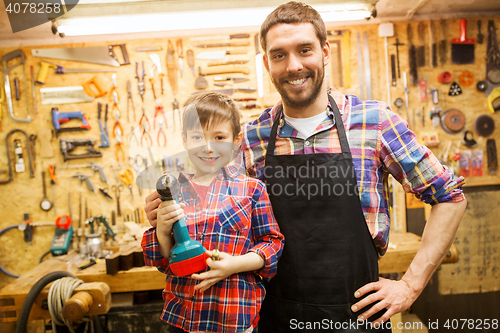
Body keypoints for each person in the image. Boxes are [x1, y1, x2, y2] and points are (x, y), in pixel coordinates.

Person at [146, 2, 467, 331]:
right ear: (267, 63)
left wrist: (410, 286)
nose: (293, 65)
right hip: (275, 318)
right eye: (279, 55)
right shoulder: (252, 138)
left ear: (325, 51)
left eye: (304, 49)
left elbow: (450, 197)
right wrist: (171, 210)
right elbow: (220, 214)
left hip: (357, 316)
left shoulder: (375, 123)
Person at [141, 92, 284, 333]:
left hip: (234, 317)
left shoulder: (252, 190)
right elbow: (166, 261)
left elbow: (272, 244)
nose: (208, 148)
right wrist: (164, 233)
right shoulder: (173, 191)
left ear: (236, 140)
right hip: (184, 319)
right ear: (185, 140)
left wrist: (234, 265)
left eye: (219, 137)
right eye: (198, 137)